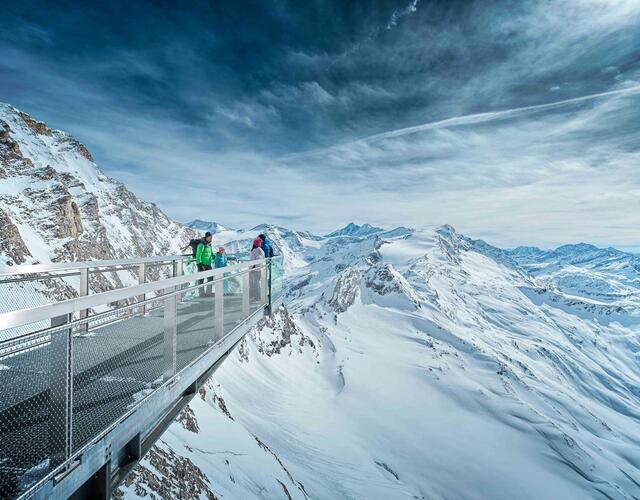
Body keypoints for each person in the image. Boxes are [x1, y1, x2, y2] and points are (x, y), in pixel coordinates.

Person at [196, 232, 213, 296]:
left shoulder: (209, 245)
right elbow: (198, 255)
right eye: (210, 237)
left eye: (211, 237)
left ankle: (208, 293)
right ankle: (201, 294)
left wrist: (217, 255)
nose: (211, 238)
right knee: (201, 280)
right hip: (202, 265)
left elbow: (211, 254)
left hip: (208, 264)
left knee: (210, 278)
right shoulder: (201, 245)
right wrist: (200, 265)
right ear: (207, 237)